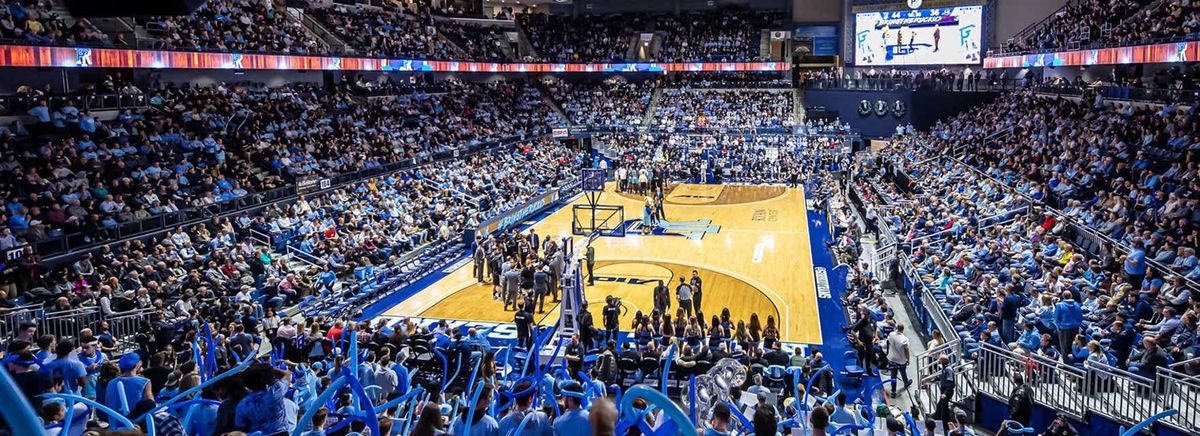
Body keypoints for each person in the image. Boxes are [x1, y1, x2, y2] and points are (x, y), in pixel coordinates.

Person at [104, 353, 152, 418]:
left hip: (114, 422)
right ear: (138, 364)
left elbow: (107, 404)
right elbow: (150, 404)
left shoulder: (111, 382)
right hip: (135, 424)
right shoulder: (145, 382)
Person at [1054, 290, 1082, 364]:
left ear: (1063, 296)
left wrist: (1059, 326)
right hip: (1075, 328)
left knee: (1065, 348)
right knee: (1073, 346)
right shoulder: (1077, 304)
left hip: (1064, 329)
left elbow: (1056, 318)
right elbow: (1080, 317)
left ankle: (1066, 365)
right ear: (1071, 296)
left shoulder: (1059, 305)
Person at [885, 323, 912, 396]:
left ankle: (893, 392)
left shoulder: (891, 334)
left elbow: (888, 343)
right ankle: (906, 383)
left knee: (893, 375)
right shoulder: (905, 339)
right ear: (903, 329)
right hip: (901, 360)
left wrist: (888, 354)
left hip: (892, 359)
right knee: (903, 372)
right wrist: (908, 359)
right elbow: (906, 351)